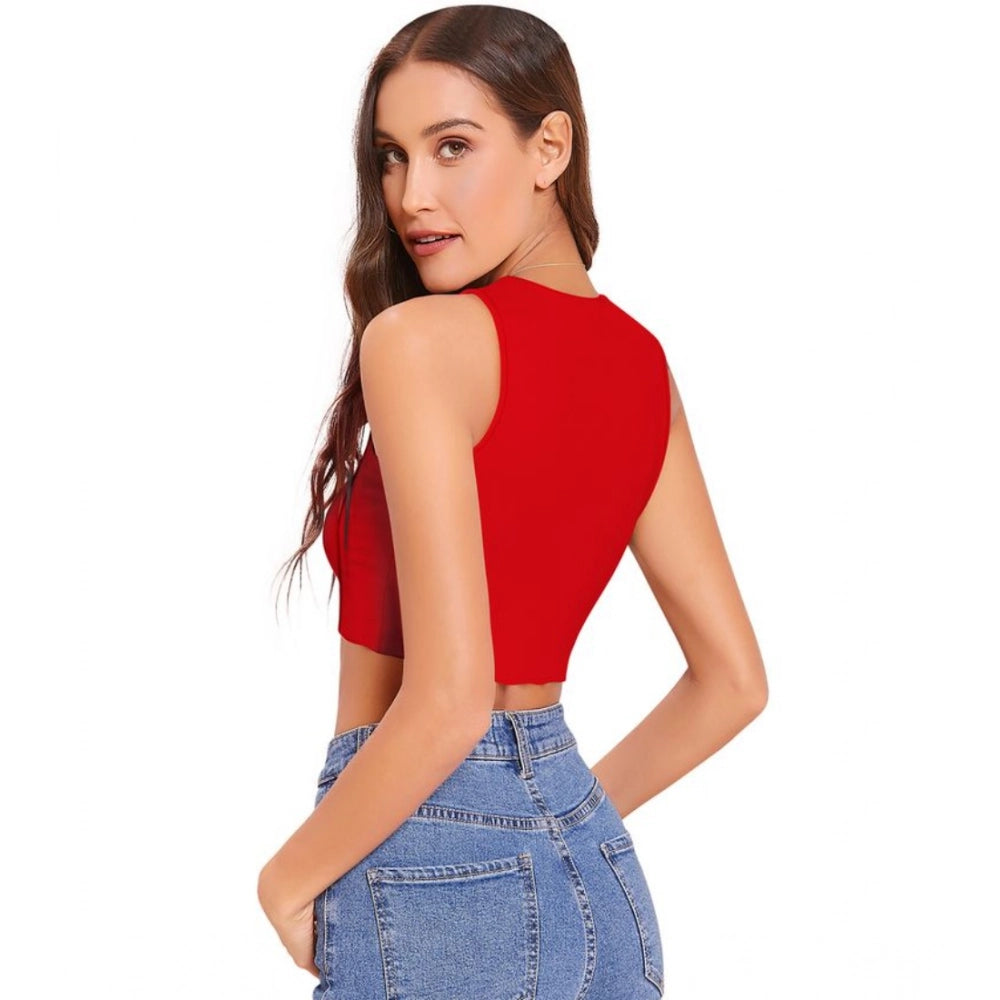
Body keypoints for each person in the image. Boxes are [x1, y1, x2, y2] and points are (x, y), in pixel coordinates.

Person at [257, 6, 768, 998]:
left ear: (550, 147)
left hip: (422, 857)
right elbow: (733, 683)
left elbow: (450, 697)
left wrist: (285, 878)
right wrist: (551, 823)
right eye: (393, 157)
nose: (412, 194)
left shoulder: (418, 342)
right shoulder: (641, 368)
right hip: (598, 887)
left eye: (452, 147)